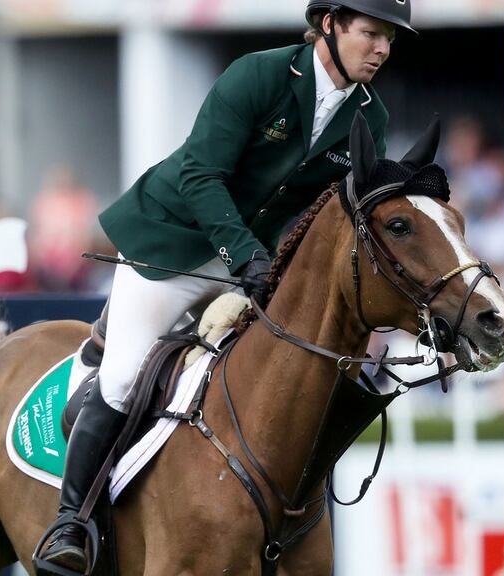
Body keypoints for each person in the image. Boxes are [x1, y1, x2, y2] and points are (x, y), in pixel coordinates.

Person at [36, 0, 415, 571]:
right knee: (121, 377)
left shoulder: (370, 117)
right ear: (330, 25)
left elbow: (331, 215)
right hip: (171, 245)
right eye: (371, 33)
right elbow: (199, 175)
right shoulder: (258, 75)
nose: (382, 49)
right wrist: (247, 257)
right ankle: (70, 523)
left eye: (390, 38)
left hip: (252, 262)